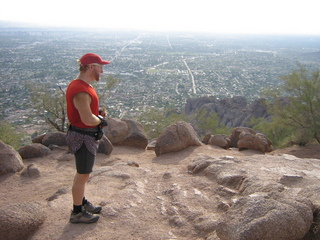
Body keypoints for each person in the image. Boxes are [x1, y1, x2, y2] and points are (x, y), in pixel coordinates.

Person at [66, 53, 110, 224]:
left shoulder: (80, 85)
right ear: (91, 67)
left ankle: (81, 201)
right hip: (83, 136)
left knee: (84, 173)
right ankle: (77, 212)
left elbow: (85, 113)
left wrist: (96, 114)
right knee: (83, 174)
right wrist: (101, 120)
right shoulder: (81, 90)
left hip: (84, 135)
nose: (102, 71)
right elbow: (86, 119)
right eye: (100, 67)